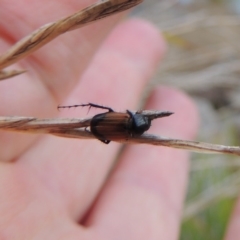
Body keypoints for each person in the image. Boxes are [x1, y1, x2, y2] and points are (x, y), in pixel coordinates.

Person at [1, 1, 236, 239]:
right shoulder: (127, 132)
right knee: (104, 115)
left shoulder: (126, 120)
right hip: (101, 127)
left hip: (101, 123)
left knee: (103, 110)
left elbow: (115, 117)